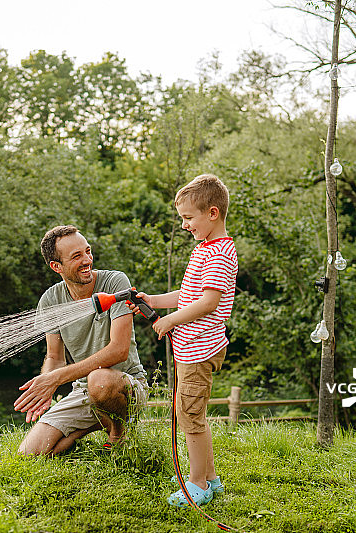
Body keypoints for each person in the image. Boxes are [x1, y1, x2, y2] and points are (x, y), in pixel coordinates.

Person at [131, 174, 238, 507]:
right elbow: (188, 294)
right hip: (193, 347)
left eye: (188, 218)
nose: (184, 225)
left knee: (191, 416)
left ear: (212, 213)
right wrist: (155, 300)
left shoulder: (219, 254)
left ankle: (196, 484)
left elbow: (209, 303)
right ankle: (211, 479)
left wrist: (169, 322)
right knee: (192, 413)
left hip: (199, 350)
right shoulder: (206, 248)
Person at [15, 225, 148, 456]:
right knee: (31, 453)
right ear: (56, 266)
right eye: (77, 256)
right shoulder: (51, 300)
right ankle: (95, 423)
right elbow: (54, 357)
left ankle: (118, 432)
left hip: (125, 386)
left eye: (87, 251)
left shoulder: (115, 282)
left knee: (100, 380)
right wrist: (46, 384)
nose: (87, 259)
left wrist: (57, 378)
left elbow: (119, 350)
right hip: (84, 391)